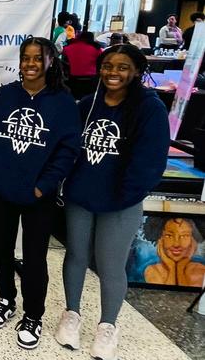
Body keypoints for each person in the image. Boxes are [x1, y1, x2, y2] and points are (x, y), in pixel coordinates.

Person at [55, 44, 170, 360]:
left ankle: (107, 326)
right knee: (76, 256)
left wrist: (125, 195)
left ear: (136, 71)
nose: (112, 73)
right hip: (81, 196)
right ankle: (71, 314)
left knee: (110, 265)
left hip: (121, 202)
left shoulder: (150, 108)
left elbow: (150, 163)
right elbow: (68, 144)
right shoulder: (88, 104)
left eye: (121, 67)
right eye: (107, 66)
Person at [0, 36, 80, 350]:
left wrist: (43, 185)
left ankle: (33, 315)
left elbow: (68, 150)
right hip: (3, 190)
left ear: (50, 61)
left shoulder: (63, 101)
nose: (31, 63)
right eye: (26, 57)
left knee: (35, 257)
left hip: (39, 195)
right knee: (1, 250)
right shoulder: (4, 96)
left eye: (38, 58)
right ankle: (5, 299)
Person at [143, 218, 205, 287]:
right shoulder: (152, 270)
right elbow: (166, 292)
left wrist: (180, 268)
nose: (176, 244)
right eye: (169, 236)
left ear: (193, 241)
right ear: (160, 239)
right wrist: (171, 268)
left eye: (184, 236)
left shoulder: (200, 270)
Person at [62, 31, 103, 99]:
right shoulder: (97, 48)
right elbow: (101, 62)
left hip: (73, 80)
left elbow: (64, 61)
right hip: (91, 80)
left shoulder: (68, 47)